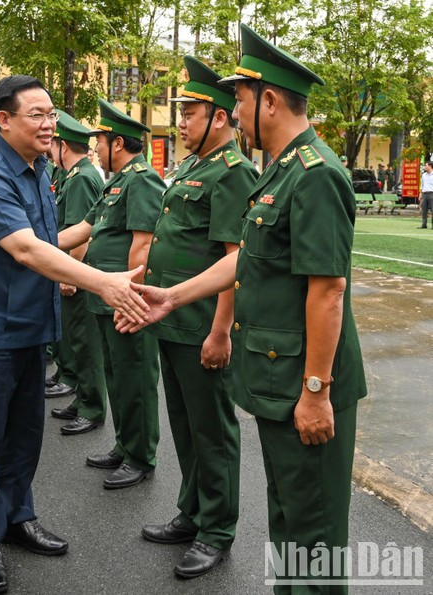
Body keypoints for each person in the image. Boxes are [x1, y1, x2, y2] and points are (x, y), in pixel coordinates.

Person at [119, 24, 367, 593]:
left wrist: (316, 392)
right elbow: (246, 260)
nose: (235, 112)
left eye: (242, 101)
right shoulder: (280, 172)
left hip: (305, 381)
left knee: (313, 533)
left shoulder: (316, 174)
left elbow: (328, 290)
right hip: (280, 376)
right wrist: (172, 296)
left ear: (270, 101)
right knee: (287, 521)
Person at [0, 74, 149, 594]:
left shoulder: (36, 172)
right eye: (37, 114)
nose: (49, 123)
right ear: (4, 120)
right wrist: (102, 281)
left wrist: (103, 224)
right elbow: (27, 251)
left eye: (51, 114)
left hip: (28, 328)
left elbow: (48, 240)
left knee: (23, 437)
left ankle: (17, 518)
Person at [138, 56, 258, 579]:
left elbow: (237, 260)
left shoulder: (233, 173)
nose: (181, 121)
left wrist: (220, 332)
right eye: (182, 111)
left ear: (222, 118)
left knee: (212, 430)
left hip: (204, 327)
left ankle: (217, 530)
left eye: (191, 112)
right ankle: (192, 511)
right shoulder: (190, 168)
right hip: (174, 323)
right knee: (185, 426)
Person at [59, 98, 164, 490]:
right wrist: (36, 249)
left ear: (117, 143)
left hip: (126, 300)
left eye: (99, 141)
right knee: (117, 377)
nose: (95, 148)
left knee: (134, 379)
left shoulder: (142, 180)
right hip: (104, 297)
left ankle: (141, 456)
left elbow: (143, 245)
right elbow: (83, 230)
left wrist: (134, 300)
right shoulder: (115, 183)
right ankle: (124, 445)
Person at [47, 110, 107, 435]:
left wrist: (70, 274)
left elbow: (81, 230)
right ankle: (82, 400)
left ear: (63, 146)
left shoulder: (82, 177)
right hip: (71, 269)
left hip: (79, 274)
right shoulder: (74, 175)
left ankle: (92, 407)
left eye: (53, 144)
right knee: (75, 339)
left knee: (85, 343)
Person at [417, 160, 433, 228]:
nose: (424, 167)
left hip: (432, 193)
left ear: (430, 166)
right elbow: (422, 185)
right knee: (424, 210)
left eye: (426, 165)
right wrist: (420, 194)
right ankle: (424, 224)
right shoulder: (423, 175)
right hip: (424, 194)